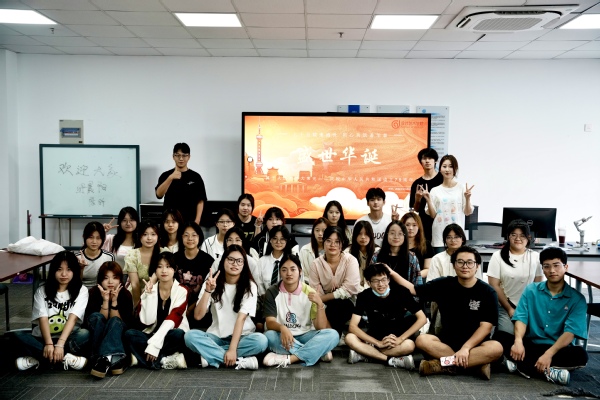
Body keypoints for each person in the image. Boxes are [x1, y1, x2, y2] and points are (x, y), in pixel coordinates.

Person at [392, 246, 503, 380]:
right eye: (460, 262)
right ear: (454, 265)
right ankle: (475, 365)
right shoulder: (444, 284)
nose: (465, 266)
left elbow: (486, 327)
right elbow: (414, 290)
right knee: (422, 340)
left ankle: (441, 365)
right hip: (446, 345)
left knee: (496, 348)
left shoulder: (488, 292)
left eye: (469, 262)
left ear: (477, 266)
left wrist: (466, 348)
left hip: (475, 345)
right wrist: (391, 273)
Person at [508, 247, 588, 385]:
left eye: (556, 265)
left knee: (581, 355)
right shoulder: (531, 290)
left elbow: (570, 332)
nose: (552, 270)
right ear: (542, 269)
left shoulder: (577, 299)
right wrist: (518, 341)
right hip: (531, 345)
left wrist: (548, 354)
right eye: (547, 266)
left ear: (565, 267)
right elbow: (521, 318)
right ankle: (550, 372)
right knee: (500, 338)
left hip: (558, 349)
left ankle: (522, 366)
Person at [184, 245, 268, 370]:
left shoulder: (250, 286)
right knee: (190, 336)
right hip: (216, 337)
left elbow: (241, 319)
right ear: (223, 261)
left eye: (239, 261)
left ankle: (211, 357)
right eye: (231, 260)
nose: (235, 264)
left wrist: (232, 349)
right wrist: (208, 291)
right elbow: (198, 316)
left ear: (244, 264)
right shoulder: (212, 282)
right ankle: (238, 362)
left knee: (261, 341)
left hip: (243, 337)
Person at [14, 251, 89, 371]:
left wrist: (60, 344)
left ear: (74, 271)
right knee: (17, 335)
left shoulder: (82, 290)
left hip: (68, 337)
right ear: (53, 270)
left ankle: (40, 359)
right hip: (44, 338)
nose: (64, 274)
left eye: (69, 269)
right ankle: (64, 358)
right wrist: (49, 344)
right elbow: (42, 318)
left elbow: (73, 318)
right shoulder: (42, 290)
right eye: (59, 269)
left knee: (84, 334)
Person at [262, 253, 339, 367]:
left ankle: (290, 359)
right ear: (280, 273)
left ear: (300, 271)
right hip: (282, 335)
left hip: (305, 335)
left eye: (293, 269)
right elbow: (270, 322)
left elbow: (320, 327)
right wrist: (283, 328)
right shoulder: (272, 292)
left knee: (333, 335)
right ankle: (317, 352)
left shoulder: (310, 292)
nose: (289, 273)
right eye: (284, 270)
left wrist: (319, 304)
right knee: (268, 336)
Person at [345, 263, 426, 369]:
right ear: (369, 283)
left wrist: (400, 339)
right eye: (375, 281)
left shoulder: (401, 292)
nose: (381, 284)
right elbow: (352, 326)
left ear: (388, 280)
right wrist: (377, 343)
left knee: (409, 345)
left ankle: (367, 355)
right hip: (375, 337)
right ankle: (390, 360)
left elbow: (422, 318)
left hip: (396, 337)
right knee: (349, 338)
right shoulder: (364, 296)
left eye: (383, 280)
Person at [124, 252, 190, 370]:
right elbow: (147, 321)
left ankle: (142, 359)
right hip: (151, 334)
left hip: (169, 335)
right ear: (155, 270)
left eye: (168, 267)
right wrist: (149, 296)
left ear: (175, 269)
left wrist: (154, 345)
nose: (164, 271)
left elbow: (174, 318)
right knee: (130, 334)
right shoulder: (150, 289)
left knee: (179, 335)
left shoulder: (182, 290)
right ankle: (164, 360)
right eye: (160, 267)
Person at [487, 219, 543, 353]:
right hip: (506, 306)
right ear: (508, 237)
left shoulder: (535, 256)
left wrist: (530, 310)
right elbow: (494, 285)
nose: (518, 238)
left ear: (528, 238)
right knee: (505, 338)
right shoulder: (498, 256)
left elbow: (538, 285)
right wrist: (509, 309)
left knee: (533, 337)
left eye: (522, 235)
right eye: (514, 235)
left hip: (528, 307)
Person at [309, 226, 361, 337]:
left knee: (338, 305)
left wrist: (326, 297)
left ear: (342, 244)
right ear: (323, 242)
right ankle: (335, 337)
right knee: (326, 307)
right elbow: (315, 290)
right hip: (324, 303)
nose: (333, 245)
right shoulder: (316, 264)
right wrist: (323, 299)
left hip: (348, 301)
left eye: (337, 242)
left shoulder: (350, 260)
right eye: (329, 241)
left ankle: (333, 336)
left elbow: (349, 289)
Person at [84, 261, 134, 378]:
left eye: (115, 278)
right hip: (96, 334)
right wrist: (105, 300)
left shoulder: (125, 294)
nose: (110, 282)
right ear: (100, 280)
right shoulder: (93, 293)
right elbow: (97, 322)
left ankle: (102, 359)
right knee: (97, 316)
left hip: (117, 334)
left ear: (120, 279)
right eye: (106, 278)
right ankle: (114, 359)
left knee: (115, 320)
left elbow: (122, 323)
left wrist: (114, 301)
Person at [423, 155, 474, 253]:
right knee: (440, 262)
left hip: (457, 237)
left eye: (450, 166)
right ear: (440, 169)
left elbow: (467, 212)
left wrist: (467, 198)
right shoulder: (435, 190)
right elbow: (433, 215)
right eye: (444, 166)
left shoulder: (462, 188)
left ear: (455, 169)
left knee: (457, 261)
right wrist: (428, 200)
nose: (447, 169)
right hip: (439, 236)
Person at [174, 222, 215, 330]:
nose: (190, 238)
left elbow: (207, 291)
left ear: (200, 237)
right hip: (176, 307)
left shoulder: (208, 261)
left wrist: (190, 309)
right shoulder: (175, 258)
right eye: (186, 235)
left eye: (194, 235)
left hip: (200, 309)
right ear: (181, 237)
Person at [155, 142, 207, 224]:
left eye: (184, 155)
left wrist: (197, 220)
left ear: (189, 157)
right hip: (170, 222)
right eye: (178, 155)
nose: (181, 158)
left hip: (189, 221)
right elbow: (159, 195)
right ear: (173, 157)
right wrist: (170, 178)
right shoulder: (166, 175)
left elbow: (200, 201)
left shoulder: (196, 177)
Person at [372, 221, 422, 287]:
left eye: (400, 234)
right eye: (392, 233)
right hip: (381, 293)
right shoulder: (376, 256)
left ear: (405, 236)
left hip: (406, 293)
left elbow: (418, 285)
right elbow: (371, 281)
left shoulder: (412, 257)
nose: (396, 237)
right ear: (386, 235)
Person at [409, 148, 443, 242]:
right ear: (421, 162)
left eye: (430, 158)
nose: (427, 161)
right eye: (424, 158)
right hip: (424, 225)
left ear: (435, 160)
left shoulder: (442, 179)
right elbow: (416, 209)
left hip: (441, 222)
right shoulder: (417, 183)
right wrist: (417, 199)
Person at [124, 220, 161, 306]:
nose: (149, 238)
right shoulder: (132, 255)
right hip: (136, 294)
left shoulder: (164, 253)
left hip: (158, 294)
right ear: (139, 236)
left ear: (158, 236)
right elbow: (135, 284)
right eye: (145, 234)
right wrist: (138, 305)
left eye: (153, 234)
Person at [75, 221, 115, 288]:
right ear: (84, 237)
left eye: (98, 238)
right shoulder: (77, 257)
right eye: (91, 237)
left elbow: (111, 280)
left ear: (103, 239)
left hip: (102, 291)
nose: (94, 241)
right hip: (81, 291)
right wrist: (81, 268)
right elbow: (74, 283)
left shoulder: (109, 257)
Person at [401, 212, 434, 280]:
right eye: (407, 225)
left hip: (419, 279)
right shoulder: (398, 244)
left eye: (414, 225)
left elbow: (427, 269)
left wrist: (414, 276)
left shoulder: (426, 244)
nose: (410, 228)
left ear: (419, 227)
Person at [346, 220, 376, 288]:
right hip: (353, 289)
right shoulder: (347, 252)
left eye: (366, 234)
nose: (363, 237)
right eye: (359, 234)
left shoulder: (377, 252)